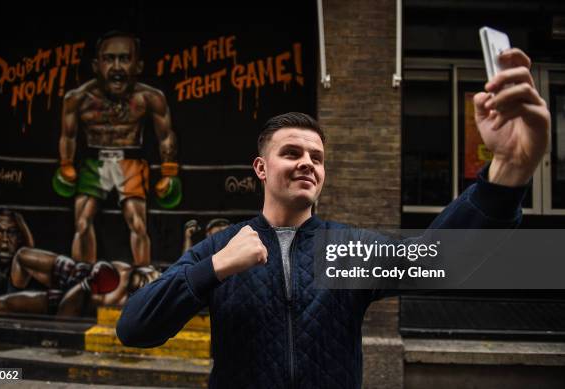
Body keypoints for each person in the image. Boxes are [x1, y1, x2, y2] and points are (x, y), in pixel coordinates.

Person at [116, 49, 550, 388]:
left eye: (317, 157)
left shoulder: (343, 251)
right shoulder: (222, 248)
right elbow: (134, 328)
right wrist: (212, 270)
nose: (307, 163)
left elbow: (439, 259)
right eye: (292, 153)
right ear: (261, 169)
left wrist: (508, 172)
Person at [53, 30, 180, 266]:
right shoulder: (77, 98)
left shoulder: (150, 97)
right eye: (109, 59)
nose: (117, 66)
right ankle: (84, 279)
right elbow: (68, 136)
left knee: (138, 224)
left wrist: (169, 171)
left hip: (130, 161)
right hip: (94, 160)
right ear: (96, 64)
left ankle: (143, 278)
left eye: (124, 58)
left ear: (138, 64)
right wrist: (66, 164)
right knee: (81, 223)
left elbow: (165, 136)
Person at [0, 247, 160, 317]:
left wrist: (87, 285)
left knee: (0, 305)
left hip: (72, 296)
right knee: (22, 256)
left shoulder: (120, 303)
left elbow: (63, 316)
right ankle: (11, 292)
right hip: (76, 271)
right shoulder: (151, 272)